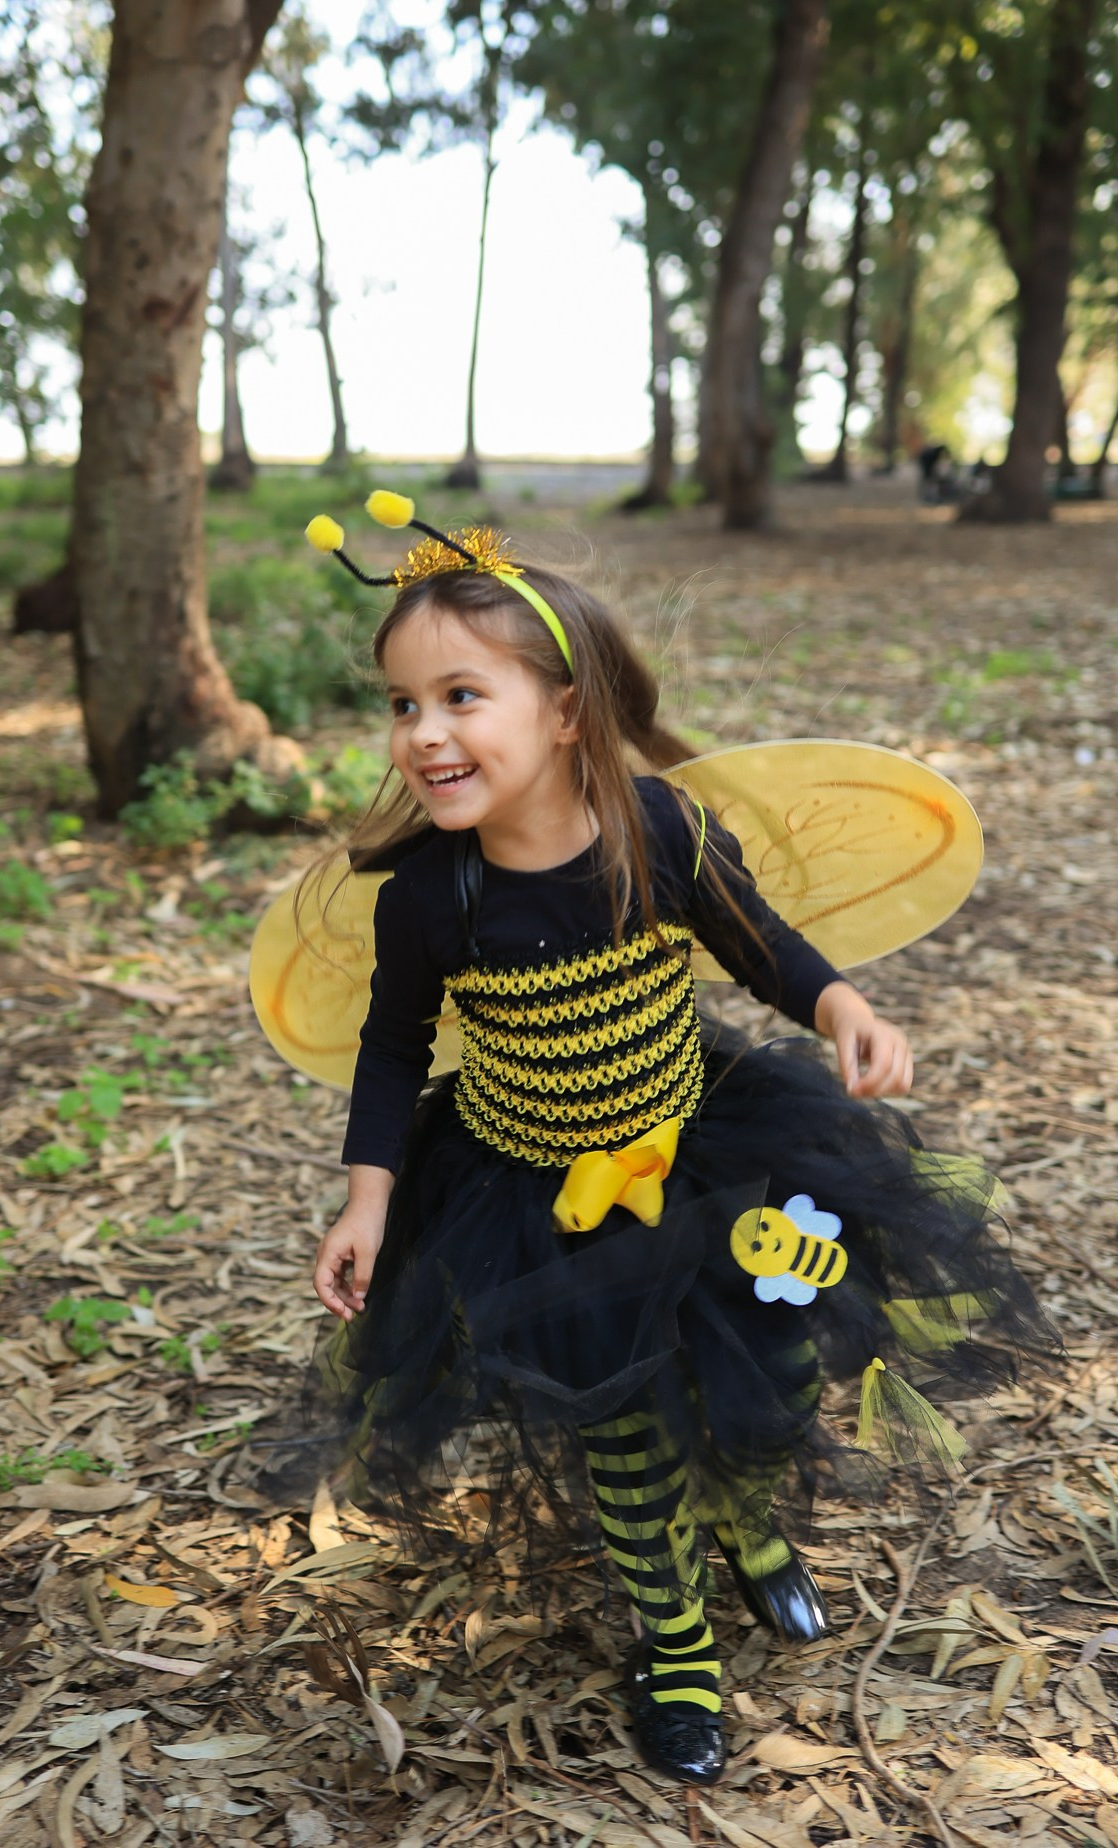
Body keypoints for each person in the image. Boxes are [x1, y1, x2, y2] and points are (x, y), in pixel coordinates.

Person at [258, 496, 1049, 1785]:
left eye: (461, 696)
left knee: (769, 1373)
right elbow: (394, 1053)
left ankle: (746, 1518)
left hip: (708, 1157)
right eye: (403, 705)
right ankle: (676, 1642)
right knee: (620, 1426)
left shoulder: (658, 830)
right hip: (538, 1204)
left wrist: (841, 1004)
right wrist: (368, 1199)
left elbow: (762, 944)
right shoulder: (430, 897)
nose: (424, 733)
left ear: (566, 710)